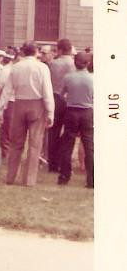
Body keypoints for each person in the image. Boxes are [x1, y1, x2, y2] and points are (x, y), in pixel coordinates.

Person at [0, 42, 54, 187]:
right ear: (36, 52)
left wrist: (0, 108)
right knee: (35, 144)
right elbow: (47, 91)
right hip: (37, 105)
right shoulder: (42, 67)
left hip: (19, 104)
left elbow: (7, 89)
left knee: (16, 143)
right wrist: (50, 111)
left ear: (23, 52)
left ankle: (11, 176)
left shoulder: (16, 67)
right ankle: (29, 180)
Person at [57, 52, 93, 188]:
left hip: (71, 111)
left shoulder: (68, 77)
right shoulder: (93, 79)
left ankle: (64, 176)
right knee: (89, 146)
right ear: (88, 63)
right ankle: (92, 180)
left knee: (68, 145)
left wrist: (69, 99)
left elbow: (61, 95)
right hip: (87, 111)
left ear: (75, 63)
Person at [47, 39, 75, 174]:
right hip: (69, 99)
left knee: (53, 132)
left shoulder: (54, 63)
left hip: (55, 97)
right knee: (69, 132)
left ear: (60, 50)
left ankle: (53, 163)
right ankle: (63, 160)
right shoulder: (74, 63)